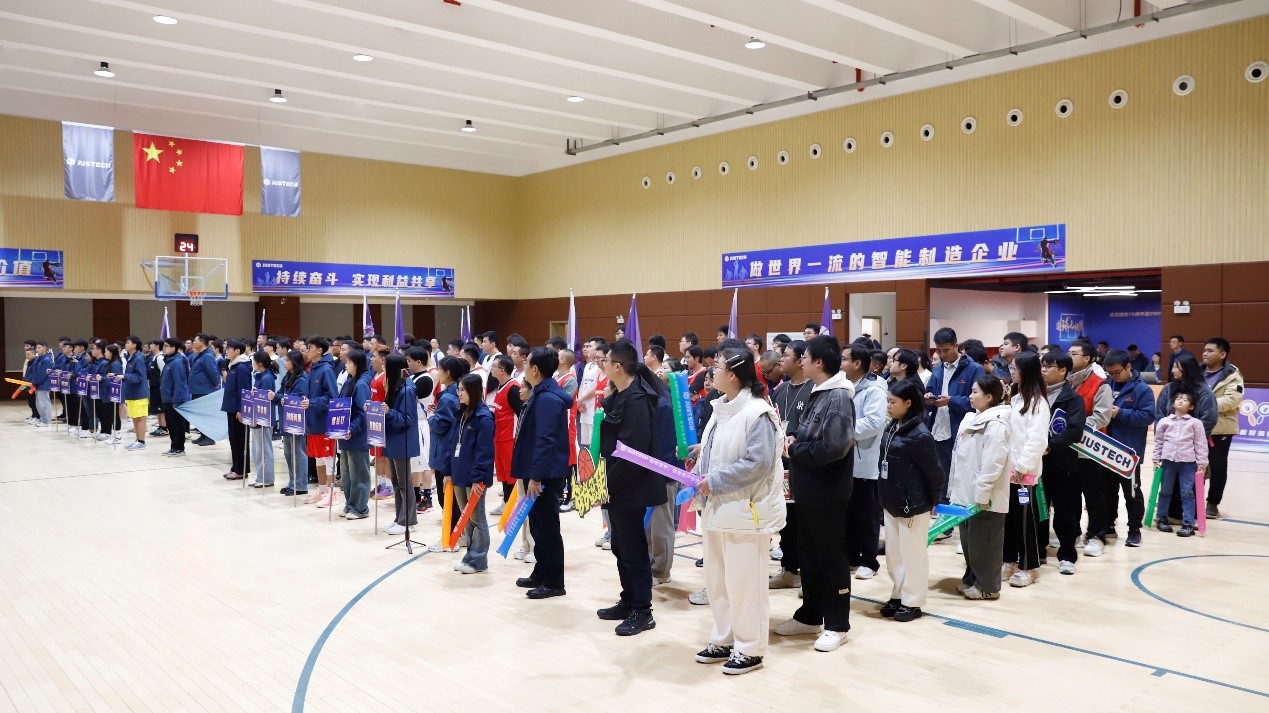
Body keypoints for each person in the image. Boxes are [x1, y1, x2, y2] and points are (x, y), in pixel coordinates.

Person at [692, 346, 785, 675]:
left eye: (716, 367)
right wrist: (702, 454)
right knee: (718, 581)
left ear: (732, 374)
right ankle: (725, 638)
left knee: (745, 585)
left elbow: (758, 463)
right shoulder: (721, 408)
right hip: (717, 509)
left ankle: (750, 648)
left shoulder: (757, 412)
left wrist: (714, 480)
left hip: (747, 513)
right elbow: (724, 451)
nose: (710, 372)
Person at [776, 336, 856, 653]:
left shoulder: (839, 397)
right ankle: (810, 615)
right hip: (807, 489)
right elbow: (808, 431)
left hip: (827, 491)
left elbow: (834, 447)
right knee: (809, 555)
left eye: (805, 356)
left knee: (831, 557)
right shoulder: (817, 391)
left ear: (819, 362)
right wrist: (793, 437)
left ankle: (837, 624)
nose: (802, 361)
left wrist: (796, 449)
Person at [594, 339, 667, 636]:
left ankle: (642, 610)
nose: (602, 365)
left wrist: (605, 486)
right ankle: (628, 600)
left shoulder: (637, 400)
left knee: (633, 547)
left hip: (630, 486)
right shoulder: (622, 394)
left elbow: (633, 455)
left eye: (606, 361)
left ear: (618, 367)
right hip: (617, 484)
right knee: (619, 545)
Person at [878, 380, 945, 622]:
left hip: (913, 504)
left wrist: (934, 500)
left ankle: (913, 601)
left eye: (892, 402)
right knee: (894, 554)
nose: (888, 406)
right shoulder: (891, 427)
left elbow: (935, 472)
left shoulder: (920, 435)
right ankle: (898, 594)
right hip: (891, 500)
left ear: (908, 403)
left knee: (913, 555)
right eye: (887, 401)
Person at [511, 348, 574, 600]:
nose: (524, 367)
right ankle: (541, 571)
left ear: (535, 369)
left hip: (545, 474)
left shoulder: (548, 399)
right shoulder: (541, 392)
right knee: (537, 525)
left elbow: (545, 440)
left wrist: (535, 477)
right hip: (536, 470)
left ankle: (555, 581)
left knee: (547, 527)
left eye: (527, 363)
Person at [949, 376, 1013, 599]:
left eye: (975, 392)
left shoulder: (997, 423)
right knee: (970, 542)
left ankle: (988, 587)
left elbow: (993, 463)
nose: (970, 395)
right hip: (966, 493)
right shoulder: (972, 418)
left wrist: (983, 492)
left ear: (989, 397)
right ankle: (972, 579)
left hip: (986, 497)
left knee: (986, 543)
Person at [1037, 350, 1086, 577]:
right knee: (1038, 510)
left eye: (1049, 366)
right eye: (1042, 366)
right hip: (1037, 464)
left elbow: (1074, 431)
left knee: (1065, 512)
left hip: (1063, 463)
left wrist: (1049, 446)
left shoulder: (1073, 399)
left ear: (1063, 370)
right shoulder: (1035, 394)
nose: (1044, 370)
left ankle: (1067, 555)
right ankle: (1037, 551)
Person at [1066, 339, 1114, 557]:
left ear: (1087, 358)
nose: (1069, 356)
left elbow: (1102, 416)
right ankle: (1073, 533)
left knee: (1094, 494)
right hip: (1067, 448)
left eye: (1074, 353)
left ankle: (1096, 536)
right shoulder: (1065, 380)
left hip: (1091, 449)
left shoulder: (1100, 383)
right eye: (1068, 352)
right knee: (1070, 494)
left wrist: (1074, 426)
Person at [769, 341, 811, 591]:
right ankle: (788, 569)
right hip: (781, 464)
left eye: (785, 355)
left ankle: (808, 575)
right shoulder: (780, 389)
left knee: (804, 522)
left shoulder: (813, 389)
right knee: (785, 520)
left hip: (803, 464)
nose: (780, 360)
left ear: (800, 360)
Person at [843, 343, 887, 581]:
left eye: (844, 359)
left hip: (865, 463)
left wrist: (841, 431)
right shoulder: (845, 387)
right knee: (848, 514)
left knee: (867, 515)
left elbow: (873, 423)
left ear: (857, 363)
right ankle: (851, 556)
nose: (840, 364)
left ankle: (869, 561)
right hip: (844, 460)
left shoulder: (874, 390)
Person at [1104, 350, 1155, 547]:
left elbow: (1147, 417)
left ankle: (1134, 530)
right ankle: (1108, 525)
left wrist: (1120, 413)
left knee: (1132, 493)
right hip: (1104, 450)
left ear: (1128, 367)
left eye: (1117, 372)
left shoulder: (1142, 389)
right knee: (1107, 491)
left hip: (1128, 452)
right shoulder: (1106, 384)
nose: (1113, 376)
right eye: (1110, 373)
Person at [924, 328, 983, 482]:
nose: (942, 355)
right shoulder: (938, 369)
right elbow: (930, 391)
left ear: (956, 346)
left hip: (960, 431)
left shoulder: (974, 369)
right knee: (939, 479)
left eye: (946, 350)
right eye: (938, 351)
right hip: (937, 430)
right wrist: (929, 399)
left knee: (959, 480)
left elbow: (979, 402)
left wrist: (950, 401)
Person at [449, 373, 494, 571]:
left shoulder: (484, 418)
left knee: (477, 517)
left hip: (475, 477)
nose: (459, 394)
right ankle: (470, 556)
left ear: (473, 391)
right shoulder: (461, 414)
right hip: (459, 473)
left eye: (463, 390)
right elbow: (453, 444)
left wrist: (478, 478)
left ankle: (479, 560)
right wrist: (448, 471)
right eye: (458, 389)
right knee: (466, 517)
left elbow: (485, 452)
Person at [1152, 392, 1208, 537]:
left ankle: (1188, 523)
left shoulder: (1196, 423)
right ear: (1173, 403)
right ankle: (1161, 518)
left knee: (1187, 492)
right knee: (1165, 490)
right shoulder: (1164, 421)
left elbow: (1201, 444)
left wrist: (1202, 463)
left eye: (1185, 400)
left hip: (1188, 463)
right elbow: (1158, 442)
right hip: (1168, 461)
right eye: (1178, 399)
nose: (1180, 401)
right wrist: (1156, 459)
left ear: (1191, 407)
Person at [1200, 338, 1244, 519]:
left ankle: (1212, 504)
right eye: (1204, 350)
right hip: (1197, 427)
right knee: (1195, 467)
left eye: (1210, 351)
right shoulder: (1196, 372)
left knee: (1217, 468)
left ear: (1222, 354)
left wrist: (1202, 404)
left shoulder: (1233, 375)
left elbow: (1232, 400)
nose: (1205, 353)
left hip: (1221, 429)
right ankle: (1193, 502)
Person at [428, 356, 469, 539]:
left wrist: (431, 417)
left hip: (445, 452)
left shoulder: (448, 397)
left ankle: (453, 536)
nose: (438, 373)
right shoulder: (454, 394)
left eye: (440, 369)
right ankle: (458, 534)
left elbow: (441, 425)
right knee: (452, 497)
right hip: (450, 451)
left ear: (448, 373)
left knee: (447, 498)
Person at [383, 353, 421, 535]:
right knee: (396, 483)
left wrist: (389, 412)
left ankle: (408, 521)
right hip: (392, 440)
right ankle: (400, 517)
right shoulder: (394, 387)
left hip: (402, 441)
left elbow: (407, 419)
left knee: (405, 483)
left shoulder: (407, 390)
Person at [300, 337, 339, 506]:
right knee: (318, 458)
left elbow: (332, 397)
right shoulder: (312, 369)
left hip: (324, 422)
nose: (307, 351)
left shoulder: (326, 370)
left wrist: (313, 403)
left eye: (310, 348)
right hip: (312, 421)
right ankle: (322, 490)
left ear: (319, 350)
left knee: (328, 458)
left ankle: (332, 493)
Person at [336, 349, 372, 520]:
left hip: (356, 435)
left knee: (359, 474)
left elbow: (363, 413)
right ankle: (350, 504)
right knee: (347, 474)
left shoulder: (362, 384)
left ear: (357, 364)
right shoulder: (349, 381)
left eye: (349, 362)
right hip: (344, 434)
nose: (346, 364)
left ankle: (361, 508)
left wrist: (352, 428)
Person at [405, 347, 436, 512]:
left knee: (424, 463)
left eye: (410, 361)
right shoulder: (413, 377)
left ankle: (427, 499)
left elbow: (410, 398)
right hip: (412, 424)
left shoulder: (425, 379)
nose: (408, 364)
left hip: (421, 424)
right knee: (414, 463)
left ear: (418, 362)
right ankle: (416, 496)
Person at [220, 340, 253, 481]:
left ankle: (241, 470)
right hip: (231, 408)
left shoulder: (242, 367)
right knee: (233, 440)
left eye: (229, 349)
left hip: (238, 410)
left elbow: (243, 390)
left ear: (237, 351)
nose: (226, 351)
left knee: (240, 440)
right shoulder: (233, 365)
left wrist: (241, 409)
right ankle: (235, 467)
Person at [276, 350, 308, 494]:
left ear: (294, 362)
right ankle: (292, 481)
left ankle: (300, 485)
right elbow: (281, 394)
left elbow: (297, 398)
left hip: (296, 420)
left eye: (287, 360)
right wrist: (277, 397)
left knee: (298, 453)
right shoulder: (288, 376)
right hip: (286, 419)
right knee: (288, 453)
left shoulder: (302, 379)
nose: (284, 363)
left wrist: (283, 398)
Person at [249, 351, 278, 488]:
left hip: (263, 418)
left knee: (264, 450)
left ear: (259, 363)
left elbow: (263, 400)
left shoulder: (266, 378)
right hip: (257, 417)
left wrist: (257, 416)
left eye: (253, 361)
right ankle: (260, 476)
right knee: (257, 450)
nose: (252, 364)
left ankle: (267, 478)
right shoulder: (260, 376)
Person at [159, 338, 190, 457]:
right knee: (170, 425)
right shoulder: (168, 361)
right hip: (167, 398)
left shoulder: (177, 362)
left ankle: (180, 448)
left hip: (174, 399)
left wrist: (177, 399)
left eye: (166, 346)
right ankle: (173, 446)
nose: (164, 348)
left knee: (177, 424)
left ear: (173, 348)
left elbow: (179, 383)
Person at [188, 334, 221, 446]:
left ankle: (209, 437)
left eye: (195, 341)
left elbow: (213, 372)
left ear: (202, 342)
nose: (193, 343)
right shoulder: (198, 355)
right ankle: (203, 435)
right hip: (197, 389)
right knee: (199, 414)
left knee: (206, 414)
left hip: (204, 389)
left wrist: (216, 384)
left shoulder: (207, 356)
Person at [121, 336, 151, 450]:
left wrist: (124, 376)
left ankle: (142, 441)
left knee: (141, 418)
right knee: (134, 417)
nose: (126, 344)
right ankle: (137, 440)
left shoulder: (138, 358)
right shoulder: (129, 357)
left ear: (134, 345)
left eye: (128, 342)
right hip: (131, 393)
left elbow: (139, 376)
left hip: (139, 394)